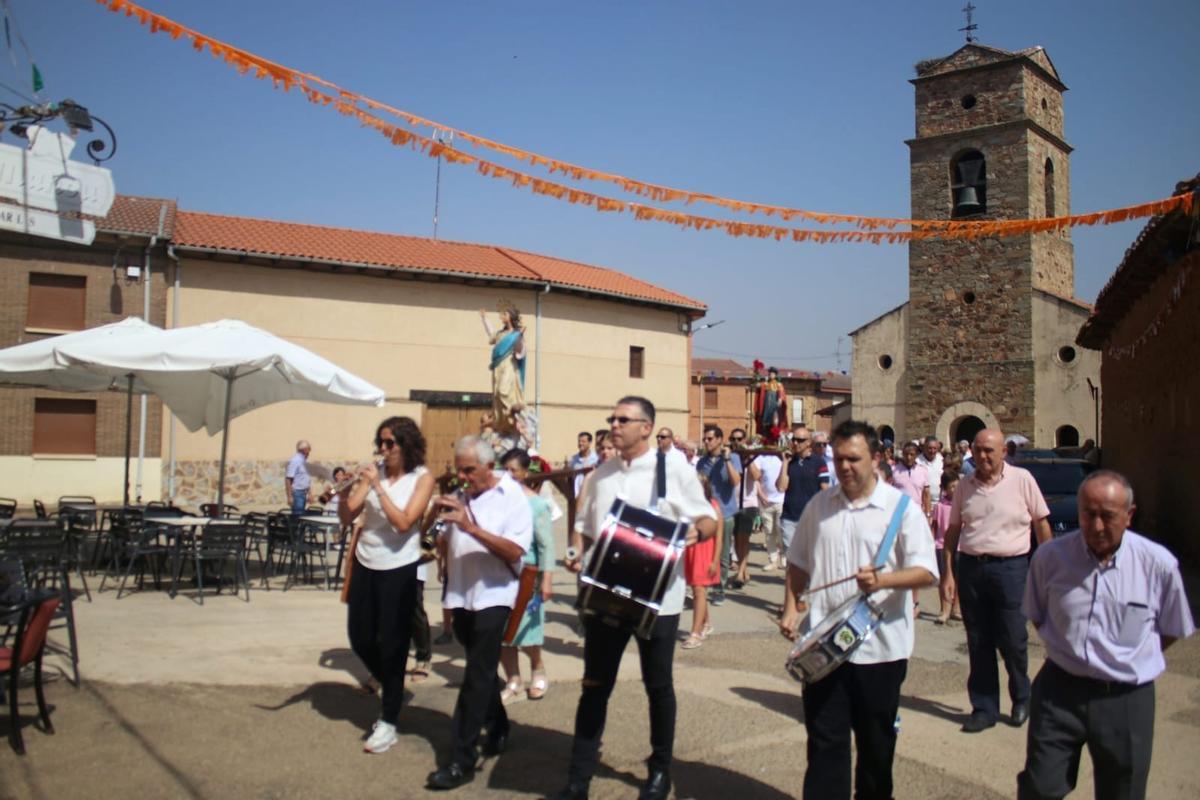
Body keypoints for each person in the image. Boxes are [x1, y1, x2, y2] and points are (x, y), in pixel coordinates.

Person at [555, 396, 717, 800]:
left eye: (622, 420)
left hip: (658, 601)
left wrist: (696, 532)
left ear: (646, 427)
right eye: (612, 418)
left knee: (658, 687)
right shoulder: (601, 474)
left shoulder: (672, 469)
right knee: (595, 686)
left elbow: (709, 518)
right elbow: (584, 526)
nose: (614, 425)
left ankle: (660, 771)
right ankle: (578, 779)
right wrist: (575, 552)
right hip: (606, 596)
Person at [780, 420, 938, 800]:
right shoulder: (819, 506)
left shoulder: (901, 509)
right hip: (824, 647)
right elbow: (798, 562)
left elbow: (927, 572)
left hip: (880, 651)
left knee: (876, 748)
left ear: (876, 458)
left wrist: (884, 581)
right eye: (839, 459)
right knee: (824, 743)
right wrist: (790, 607)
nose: (845, 467)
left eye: (853, 459)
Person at [1017, 470, 1194, 800]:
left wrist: (1127, 656)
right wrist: (1069, 650)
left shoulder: (1157, 565)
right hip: (1060, 691)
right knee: (1039, 787)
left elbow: (1171, 629)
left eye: (1108, 516)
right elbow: (1038, 615)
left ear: (1129, 515)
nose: (1097, 526)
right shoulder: (1051, 558)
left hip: (1125, 697)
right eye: (1088, 514)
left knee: (1123, 791)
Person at [425, 436, 532, 791]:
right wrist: (435, 521)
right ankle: (498, 725)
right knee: (481, 669)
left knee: (475, 676)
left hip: (495, 593)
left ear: (489, 466)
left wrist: (470, 527)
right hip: (461, 593)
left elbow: (515, 550)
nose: (463, 477)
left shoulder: (512, 496)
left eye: (469, 470)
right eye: (459, 470)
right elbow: (436, 541)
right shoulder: (461, 495)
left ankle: (461, 759)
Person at [942, 429, 1052, 733]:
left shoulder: (1022, 480)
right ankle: (984, 708)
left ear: (1004, 451)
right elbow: (953, 531)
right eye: (978, 450)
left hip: (1011, 569)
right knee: (978, 641)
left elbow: (1041, 524)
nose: (983, 456)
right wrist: (948, 572)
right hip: (972, 569)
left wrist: (1048, 568)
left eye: (989, 450)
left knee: (1013, 639)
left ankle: (1022, 698)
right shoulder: (965, 485)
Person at [338, 417, 435, 754]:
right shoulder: (373, 473)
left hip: (399, 567)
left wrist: (378, 488)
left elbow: (404, 523)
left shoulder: (422, 478)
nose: (383, 449)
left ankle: (388, 721)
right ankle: (393, 684)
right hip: (366, 562)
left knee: (394, 643)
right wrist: (344, 492)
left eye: (390, 443)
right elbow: (348, 515)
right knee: (360, 636)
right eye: (380, 442)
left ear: (407, 444)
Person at [498, 448, 556, 704]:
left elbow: (547, 545)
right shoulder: (496, 500)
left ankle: (537, 669)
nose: (509, 475)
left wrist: (547, 579)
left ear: (524, 473)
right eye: (505, 470)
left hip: (528, 574)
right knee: (502, 630)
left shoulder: (536, 504)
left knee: (527, 630)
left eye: (514, 470)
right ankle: (513, 679)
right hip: (501, 573)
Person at [695, 425, 741, 606]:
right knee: (703, 553)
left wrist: (727, 459)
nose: (706, 442)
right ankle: (702, 585)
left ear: (720, 440)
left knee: (722, 554)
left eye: (710, 439)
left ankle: (719, 590)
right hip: (706, 514)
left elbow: (735, 481)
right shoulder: (702, 461)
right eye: (705, 439)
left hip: (725, 513)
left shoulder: (733, 458)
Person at [776, 423, 829, 563]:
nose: (795, 443)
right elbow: (781, 487)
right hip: (789, 517)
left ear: (808, 442)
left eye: (800, 440)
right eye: (794, 439)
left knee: (810, 557)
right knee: (791, 557)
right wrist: (785, 463)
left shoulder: (819, 462)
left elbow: (825, 489)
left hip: (811, 518)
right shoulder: (789, 461)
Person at [681, 476, 722, 649]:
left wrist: (715, 560)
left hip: (705, 554)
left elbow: (719, 538)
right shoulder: (688, 505)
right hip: (690, 552)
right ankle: (706, 623)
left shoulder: (713, 507)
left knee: (698, 591)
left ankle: (695, 633)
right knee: (698, 591)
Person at [479, 302, 526, 433]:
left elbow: (521, 351)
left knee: (503, 390)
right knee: (496, 395)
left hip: (509, 365)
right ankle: (503, 420)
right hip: (497, 367)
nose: (502, 316)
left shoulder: (516, 334)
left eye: (505, 314)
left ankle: (514, 414)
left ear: (511, 316)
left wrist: (519, 337)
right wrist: (484, 318)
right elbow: (491, 333)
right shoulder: (500, 334)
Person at [931, 471, 961, 625]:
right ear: (944, 489)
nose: (955, 489)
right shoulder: (940, 506)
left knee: (959, 577)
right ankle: (944, 609)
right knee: (944, 578)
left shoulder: (962, 505)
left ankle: (956, 608)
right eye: (952, 487)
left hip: (960, 545)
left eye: (957, 486)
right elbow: (935, 527)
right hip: (941, 545)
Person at [753, 449, 784, 578]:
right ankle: (772, 560)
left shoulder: (783, 456)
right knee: (769, 532)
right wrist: (760, 495)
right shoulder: (760, 458)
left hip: (782, 499)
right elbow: (755, 478)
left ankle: (784, 557)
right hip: (766, 501)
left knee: (781, 531)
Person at [754, 366, 789, 443]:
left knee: (775, 419)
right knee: (765, 421)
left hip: (774, 404)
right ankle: (765, 435)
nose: (771, 375)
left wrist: (780, 399)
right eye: (770, 374)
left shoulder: (778, 384)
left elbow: (781, 393)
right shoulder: (766, 383)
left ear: (775, 375)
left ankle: (774, 435)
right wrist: (756, 377)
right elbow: (758, 386)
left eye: (772, 374)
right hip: (767, 404)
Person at [285, 439, 312, 516]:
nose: (309, 452)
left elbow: (306, 478)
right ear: (304, 450)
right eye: (309, 449)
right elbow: (288, 479)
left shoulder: (304, 461)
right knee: (298, 517)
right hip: (297, 494)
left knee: (301, 516)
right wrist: (289, 497)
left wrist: (309, 493)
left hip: (304, 493)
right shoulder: (295, 461)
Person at [917, 436, 944, 504]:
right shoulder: (917, 462)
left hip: (940, 502)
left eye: (934, 448)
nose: (932, 451)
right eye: (930, 448)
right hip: (923, 502)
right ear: (924, 448)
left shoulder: (942, 460)